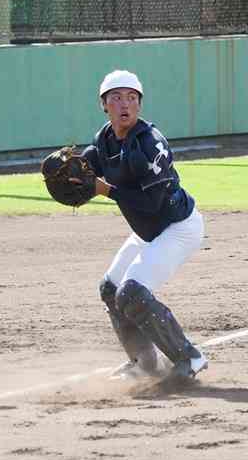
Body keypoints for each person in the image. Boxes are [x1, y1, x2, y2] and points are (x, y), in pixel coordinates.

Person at [81, 69, 207, 380]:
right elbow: (87, 168)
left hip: (177, 228)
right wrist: (74, 175)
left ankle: (190, 358)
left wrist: (105, 190)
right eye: (116, 97)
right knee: (110, 289)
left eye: (131, 98)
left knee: (132, 293)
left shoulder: (152, 144)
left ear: (139, 105)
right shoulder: (105, 139)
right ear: (104, 105)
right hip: (147, 230)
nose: (124, 103)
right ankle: (144, 362)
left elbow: (152, 204)